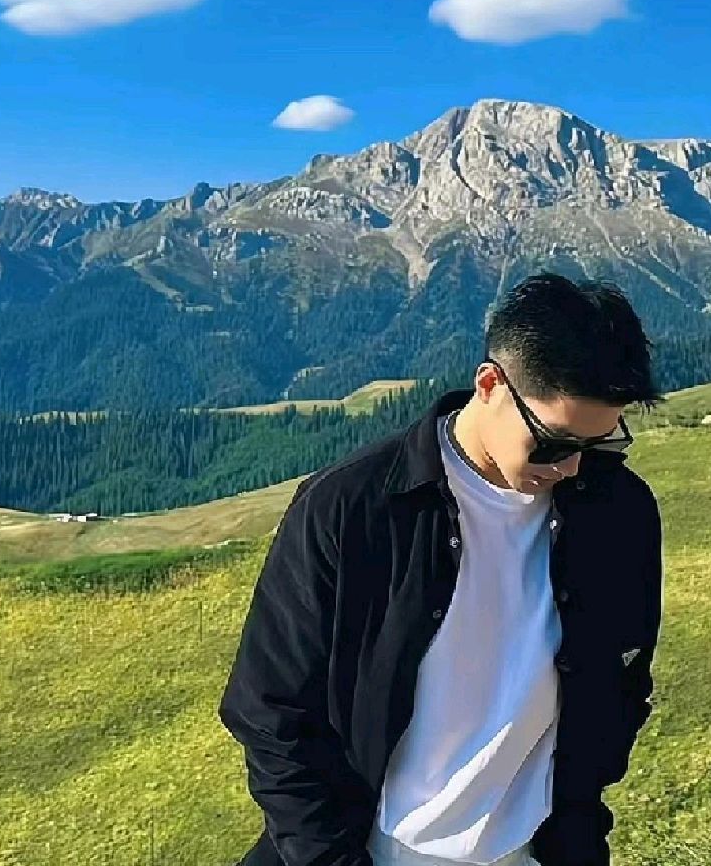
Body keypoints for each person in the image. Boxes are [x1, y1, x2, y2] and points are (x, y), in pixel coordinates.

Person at [218, 272, 665, 866]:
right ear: (490, 384)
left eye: (602, 445)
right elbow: (270, 713)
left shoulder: (620, 513)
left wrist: (580, 816)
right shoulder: (350, 510)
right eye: (554, 443)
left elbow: (624, 684)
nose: (573, 468)